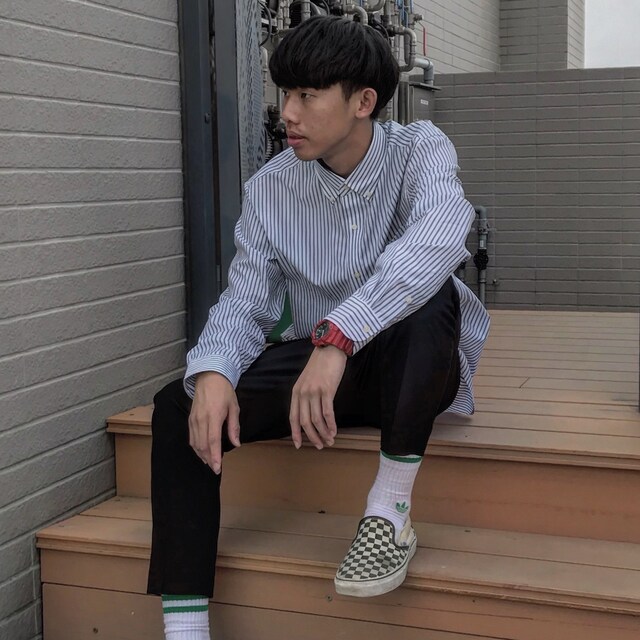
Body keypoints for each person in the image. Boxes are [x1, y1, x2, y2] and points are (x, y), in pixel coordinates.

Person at [147, 14, 490, 640]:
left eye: (307, 95)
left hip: (411, 370)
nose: (288, 113)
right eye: (285, 94)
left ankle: (388, 512)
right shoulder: (270, 189)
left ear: (363, 102)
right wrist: (216, 369)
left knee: (432, 292)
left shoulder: (421, 149)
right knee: (181, 403)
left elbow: (442, 237)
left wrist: (338, 336)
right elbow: (246, 299)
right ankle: (186, 626)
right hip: (319, 378)